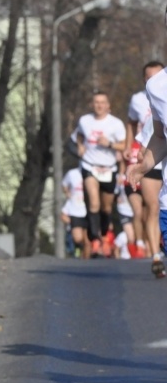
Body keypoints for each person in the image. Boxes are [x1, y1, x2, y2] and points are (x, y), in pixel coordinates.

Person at [71, 91, 126, 258]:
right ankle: (95, 239)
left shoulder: (115, 124)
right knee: (93, 202)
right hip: (90, 165)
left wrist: (109, 143)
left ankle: (103, 234)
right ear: (92, 105)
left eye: (103, 102)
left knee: (106, 207)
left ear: (108, 106)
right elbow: (79, 135)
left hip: (109, 168)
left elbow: (124, 146)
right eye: (96, 102)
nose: (99, 105)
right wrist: (80, 146)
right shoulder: (85, 121)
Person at [125, 61, 165, 271]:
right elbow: (155, 137)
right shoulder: (154, 93)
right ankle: (155, 255)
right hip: (155, 170)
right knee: (153, 208)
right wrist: (141, 165)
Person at [61, 166, 89, 259]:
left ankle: (88, 262)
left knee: (88, 240)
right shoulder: (72, 173)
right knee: (78, 239)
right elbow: (63, 215)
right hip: (75, 211)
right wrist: (67, 193)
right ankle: (78, 249)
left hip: (89, 210)